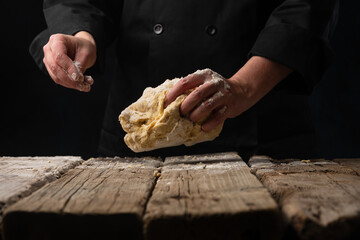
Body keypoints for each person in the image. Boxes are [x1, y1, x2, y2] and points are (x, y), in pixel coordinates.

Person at [30, 0, 338, 159]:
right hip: (136, 141)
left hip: (261, 133)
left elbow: (307, 5)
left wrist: (243, 87)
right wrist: (81, 34)